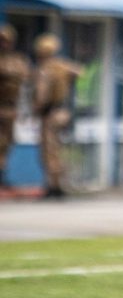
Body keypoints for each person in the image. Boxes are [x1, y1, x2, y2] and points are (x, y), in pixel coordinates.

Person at [32, 33, 82, 199]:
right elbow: (79, 71)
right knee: (59, 149)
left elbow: (42, 94)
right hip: (63, 112)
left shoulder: (45, 69)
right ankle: (60, 184)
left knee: (49, 150)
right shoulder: (62, 65)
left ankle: (54, 186)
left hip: (50, 113)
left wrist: (36, 109)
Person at [0, 24, 31, 189]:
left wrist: (26, 111)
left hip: (10, 107)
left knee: (7, 142)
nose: (4, 44)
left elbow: (26, 85)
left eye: (6, 41)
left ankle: (2, 174)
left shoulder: (18, 61)